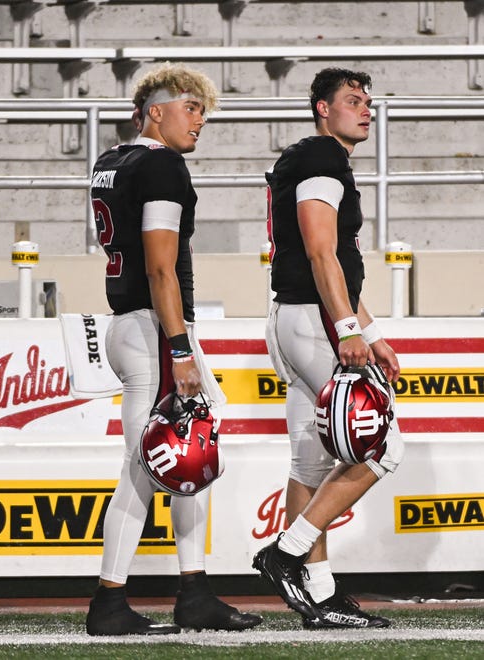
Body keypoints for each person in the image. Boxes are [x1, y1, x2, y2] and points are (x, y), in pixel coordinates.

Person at [86, 62, 262, 636]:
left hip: (132, 326)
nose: (200, 121)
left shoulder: (113, 160)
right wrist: (180, 348)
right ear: (155, 111)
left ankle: (194, 591)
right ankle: (110, 602)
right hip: (155, 331)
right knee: (145, 469)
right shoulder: (162, 164)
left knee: (195, 459)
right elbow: (161, 267)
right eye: (190, 108)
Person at [253, 67, 405, 628]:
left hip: (293, 317)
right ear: (322, 108)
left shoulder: (313, 157)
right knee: (383, 447)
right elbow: (322, 255)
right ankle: (287, 553)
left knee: (310, 462)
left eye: (367, 101)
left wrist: (371, 331)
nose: (365, 109)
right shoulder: (322, 158)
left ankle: (317, 593)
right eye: (351, 100)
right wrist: (347, 330)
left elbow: (337, 263)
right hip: (312, 321)